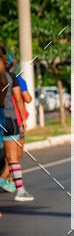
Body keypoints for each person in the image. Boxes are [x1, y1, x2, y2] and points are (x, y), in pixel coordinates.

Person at [0, 52, 34, 201]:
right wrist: (22, 120)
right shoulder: (14, 78)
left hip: (6, 118)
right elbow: (22, 99)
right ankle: (19, 190)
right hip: (12, 119)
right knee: (14, 156)